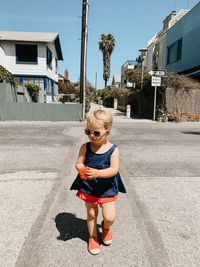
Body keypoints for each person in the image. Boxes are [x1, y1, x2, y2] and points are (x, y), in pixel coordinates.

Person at [70, 109, 126, 255]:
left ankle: (106, 227)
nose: (91, 136)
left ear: (107, 131)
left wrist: (98, 173)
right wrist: (81, 169)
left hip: (107, 188)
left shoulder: (113, 150)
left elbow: (114, 169)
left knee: (109, 216)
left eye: (96, 133)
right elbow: (79, 163)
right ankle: (93, 236)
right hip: (89, 187)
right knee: (91, 214)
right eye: (88, 131)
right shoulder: (85, 147)